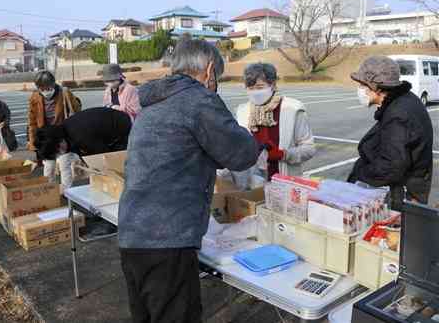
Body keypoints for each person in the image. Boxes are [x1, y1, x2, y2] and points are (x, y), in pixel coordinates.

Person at [118, 39, 259, 323]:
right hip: (167, 237)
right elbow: (241, 153)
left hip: (133, 231)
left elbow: (191, 147)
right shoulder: (198, 99)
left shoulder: (154, 103)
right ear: (209, 71)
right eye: (216, 76)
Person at [348, 56, 433, 209]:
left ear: (377, 87)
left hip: (400, 196)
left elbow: (391, 167)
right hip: (408, 188)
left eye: (362, 85)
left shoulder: (398, 114)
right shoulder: (405, 100)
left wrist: (360, 172)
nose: (359, 90)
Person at [236, 63, 315, 179]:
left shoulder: (293, 109)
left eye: (259, 87)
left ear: (272, 85)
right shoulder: (243, 111)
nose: (254, 92)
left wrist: (284, 154)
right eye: (250, 88)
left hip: (285, 181)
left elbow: (309, 148)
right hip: (253, 183)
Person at [27, 70, 82, 190]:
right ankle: (49, 190)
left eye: (48, 88)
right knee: (49, 167)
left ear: (53, 84)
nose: (46, 91)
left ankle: (67, 193)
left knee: (64, 164)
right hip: (46, 137)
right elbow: (32, 122)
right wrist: (33, 143)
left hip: (63, 135)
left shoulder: (64, 93)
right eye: (42, 89)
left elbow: (77, 111)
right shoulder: (35, 97)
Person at [34, 107, 132, 160]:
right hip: (109, 126)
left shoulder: (80, 136)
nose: (61, 153)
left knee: (120, 162)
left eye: (58, 150)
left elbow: (104, 155)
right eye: (57, 153)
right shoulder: (65, 129)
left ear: (59, 139)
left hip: (122, 126)